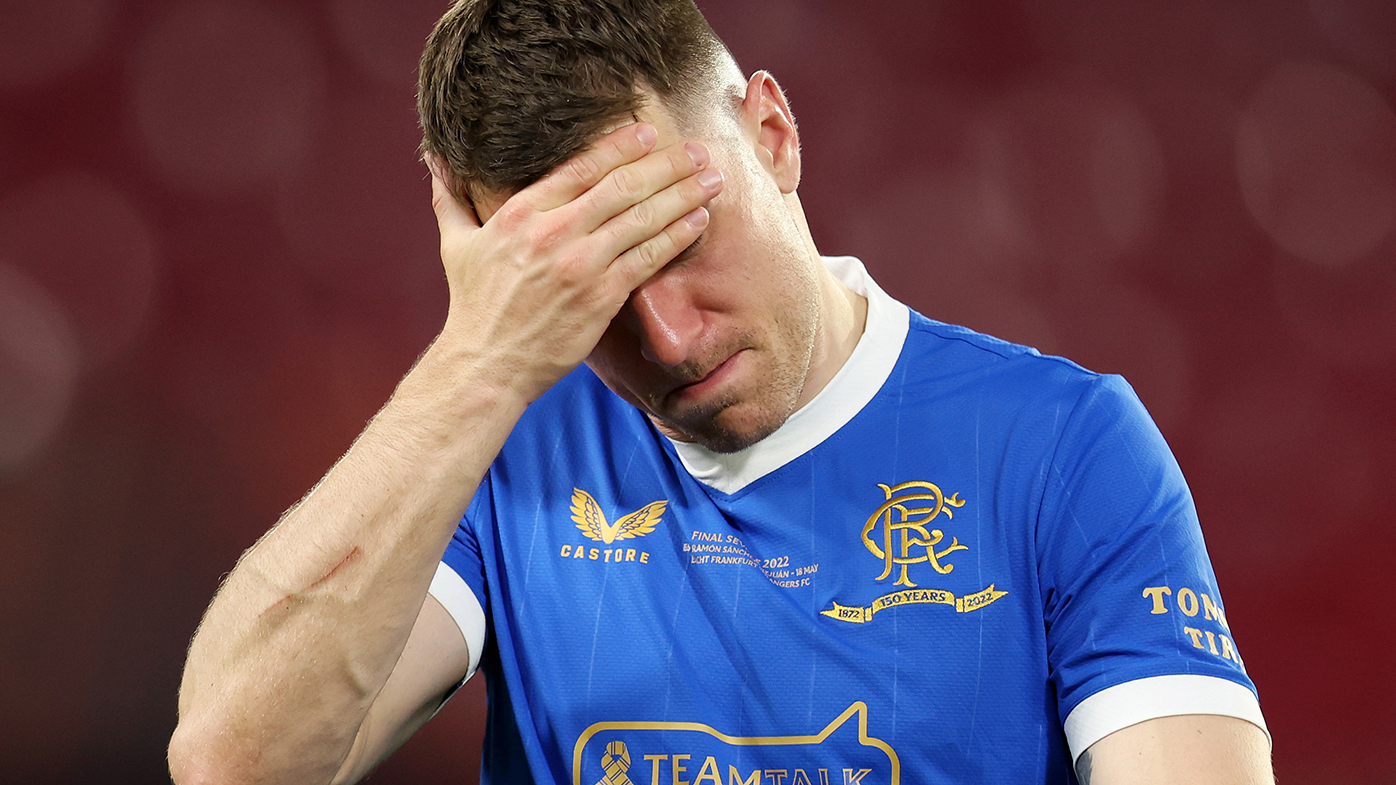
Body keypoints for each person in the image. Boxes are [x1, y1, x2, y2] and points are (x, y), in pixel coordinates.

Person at [168, 1, 1273, 783]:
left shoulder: (1059, 448)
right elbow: (235, 762)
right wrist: (476, 364)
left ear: (772, 136)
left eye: (682, 238)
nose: (668, 336)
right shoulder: (498, 445)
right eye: (589, 291)